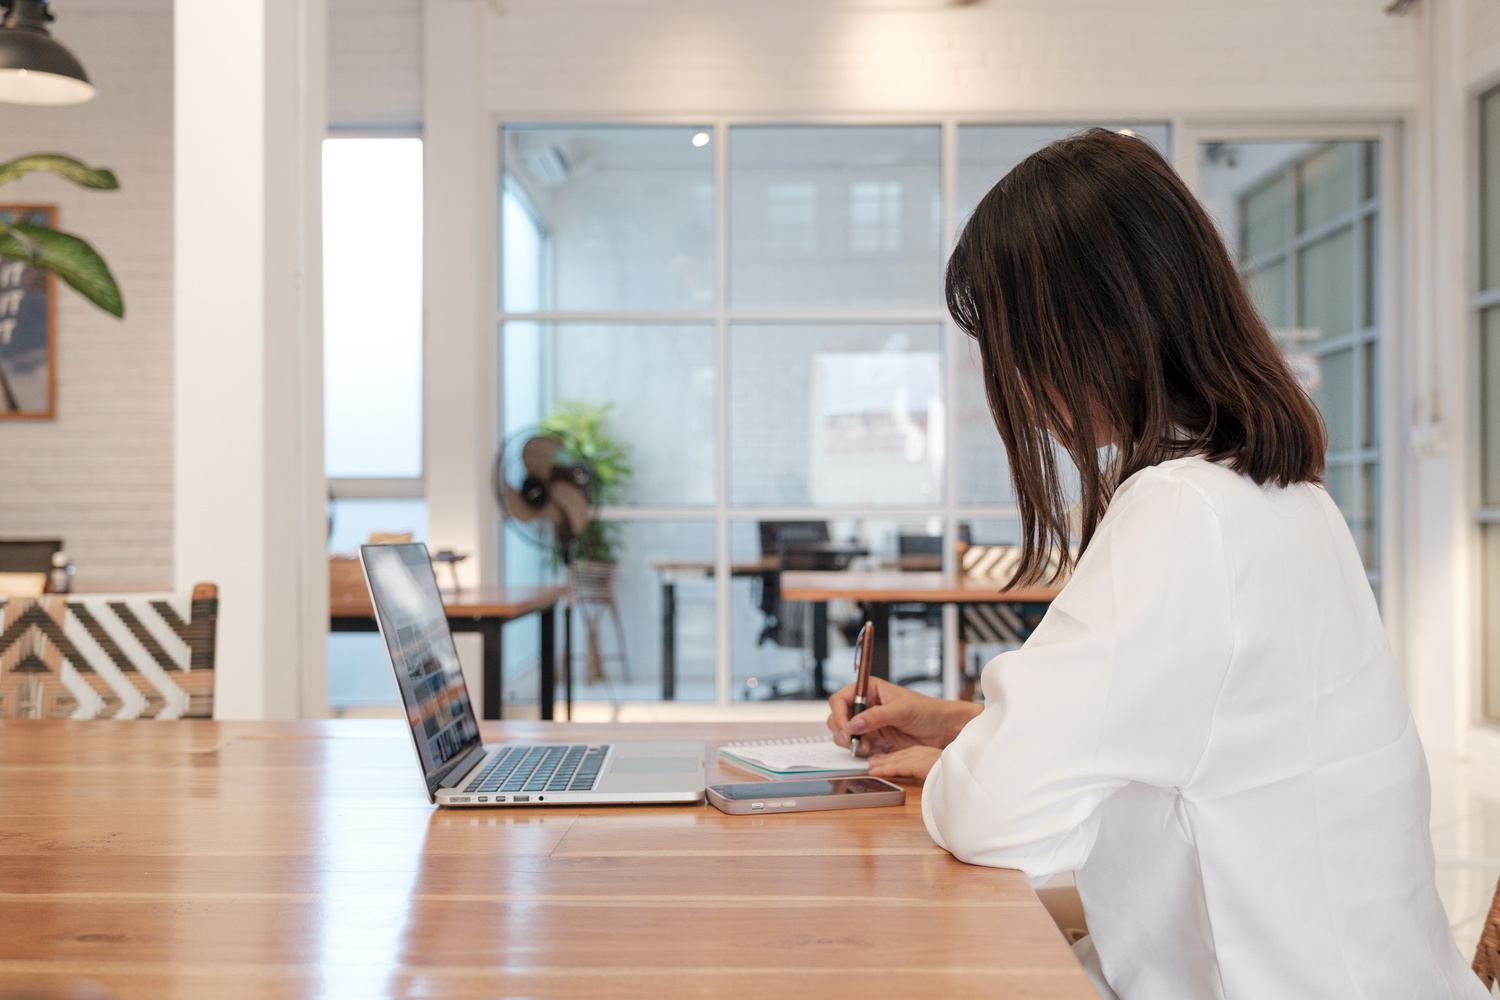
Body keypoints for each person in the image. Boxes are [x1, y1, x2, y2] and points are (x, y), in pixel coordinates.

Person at [827, 129, 1484, 1000]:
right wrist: (959, 728)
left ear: (1110, 330)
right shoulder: (1278, 493)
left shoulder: (1182, 512)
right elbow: (1187, 730)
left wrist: (972, 765)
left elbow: (994, 815)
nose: (1019, 386)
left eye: (1025, 349)